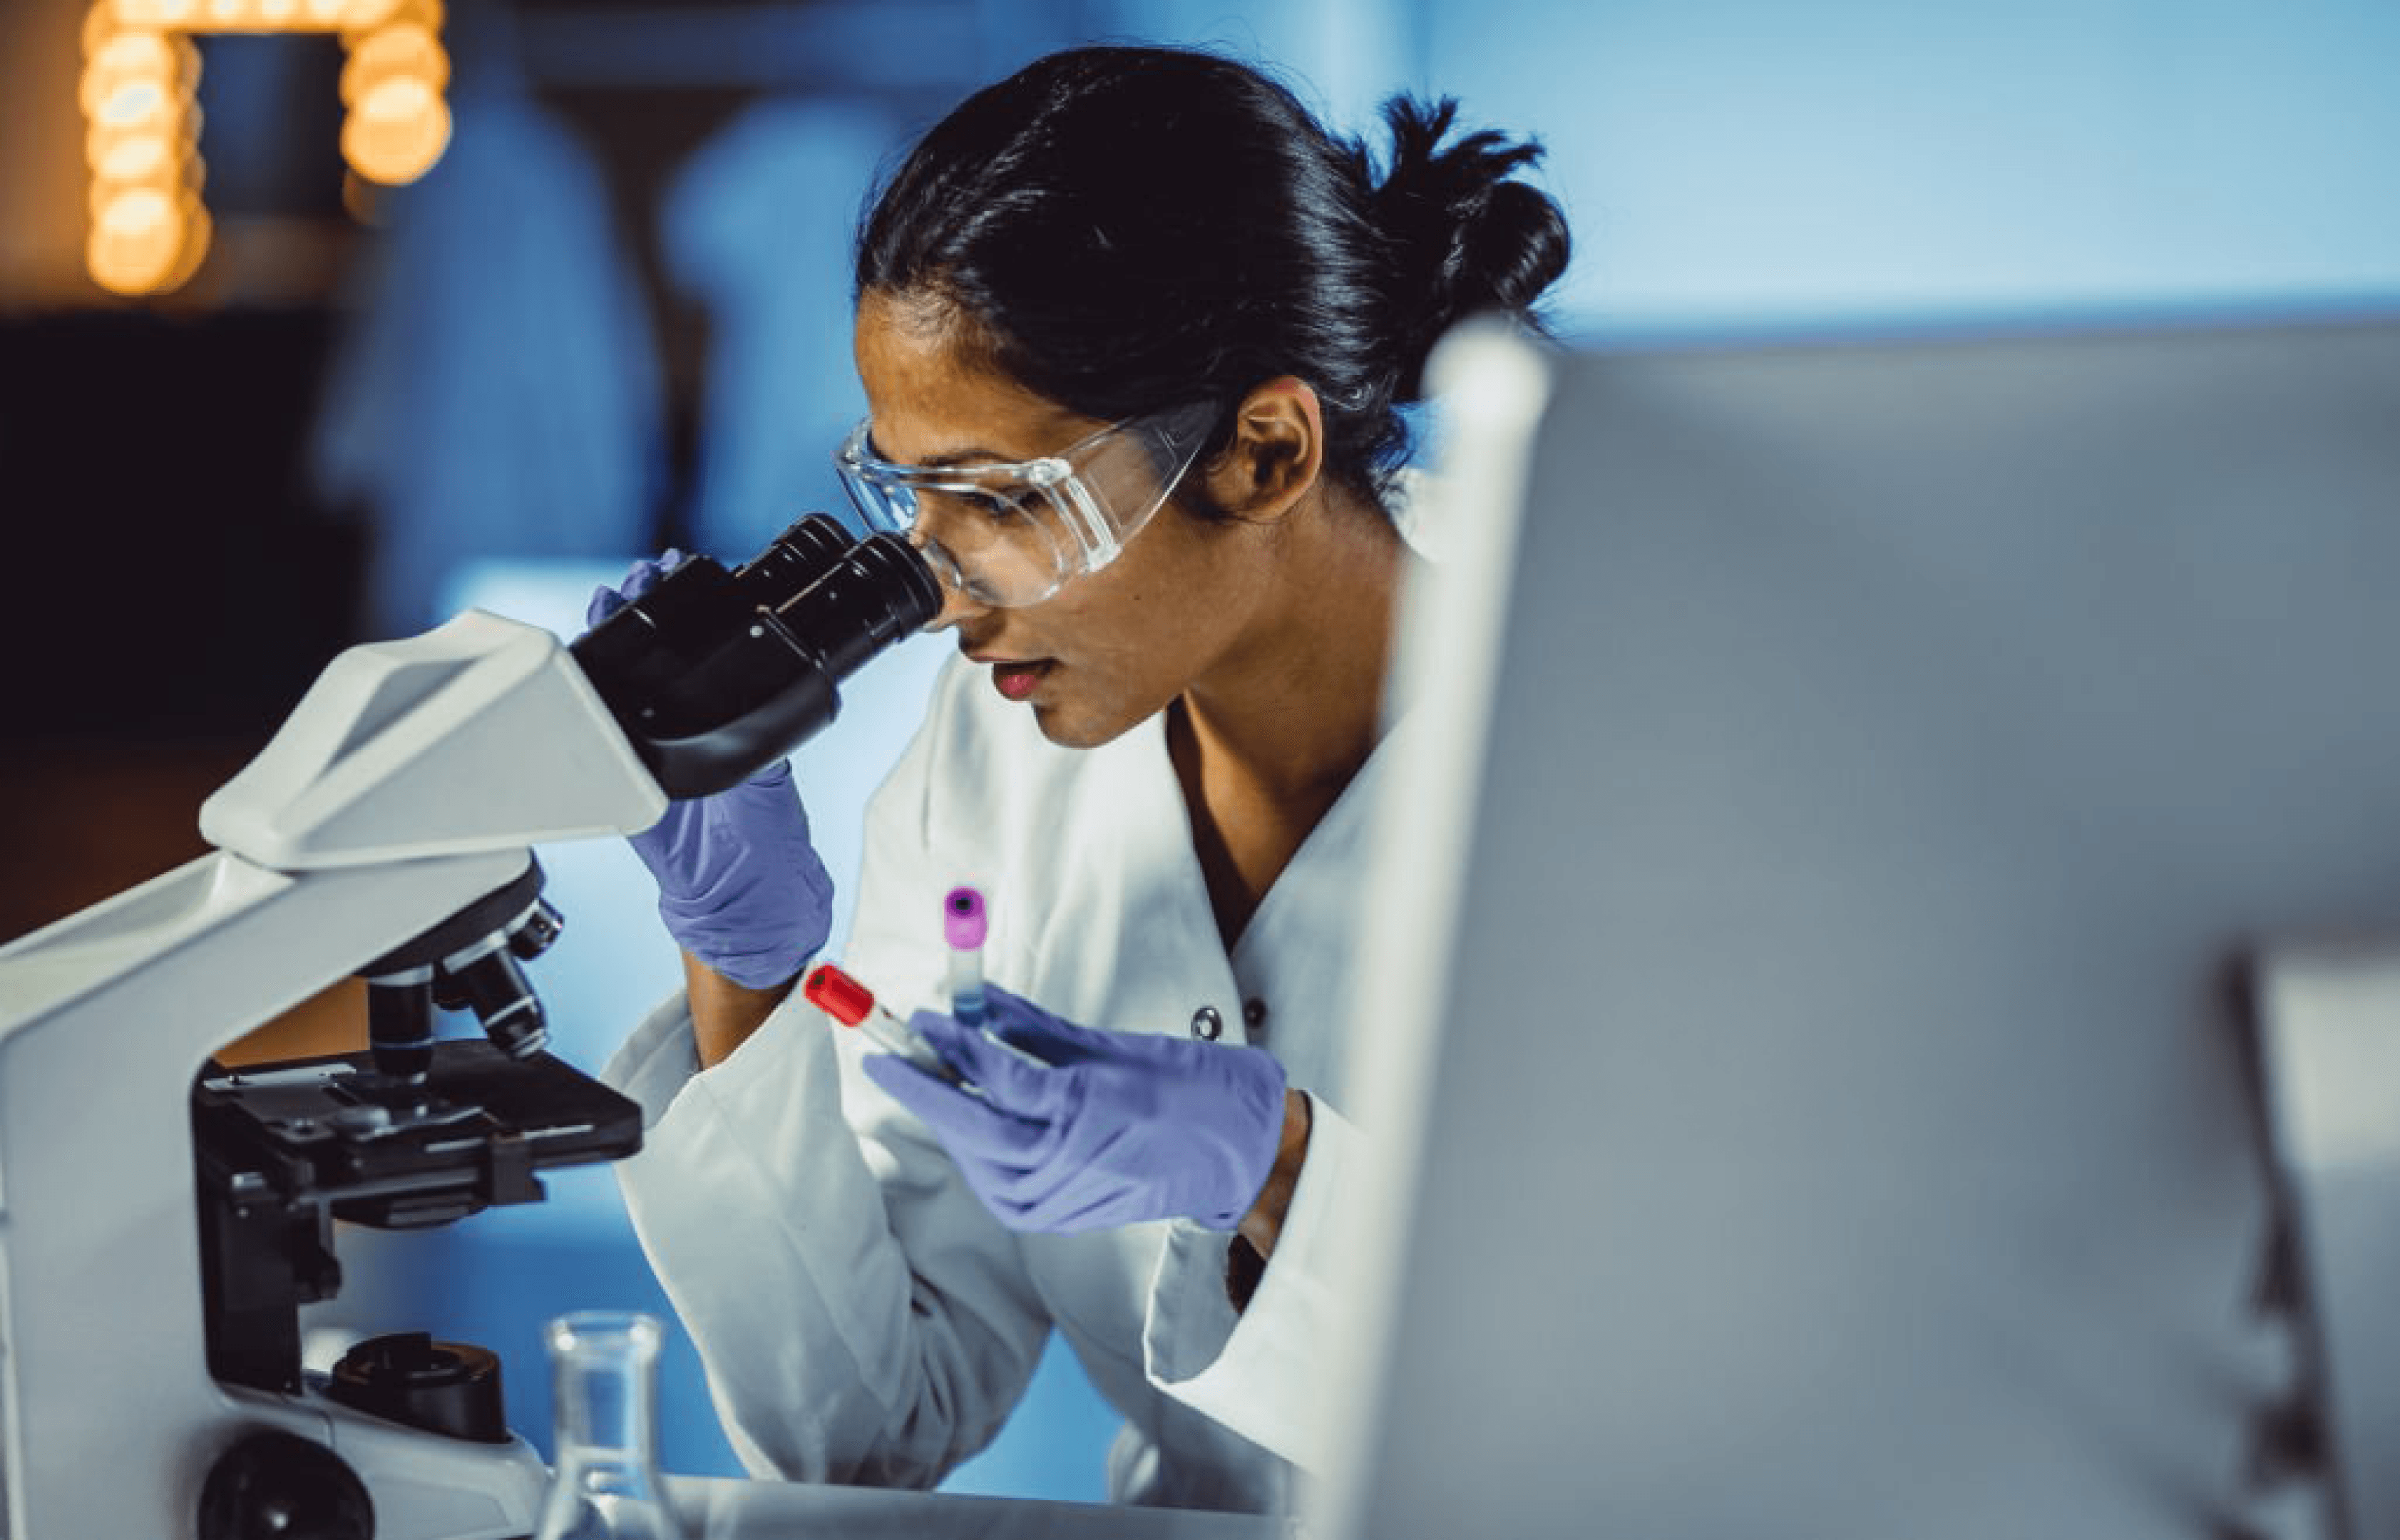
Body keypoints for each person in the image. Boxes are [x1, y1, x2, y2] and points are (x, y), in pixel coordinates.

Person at [595, 42, 1570, 1514]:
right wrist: (748, 976)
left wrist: (1279, 1168)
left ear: (1264, 451)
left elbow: (1671, 1383)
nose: (940, 591)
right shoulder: (995, 753)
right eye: (908, 494)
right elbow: (868, 1436)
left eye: (998, 500)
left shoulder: (1603, 732)